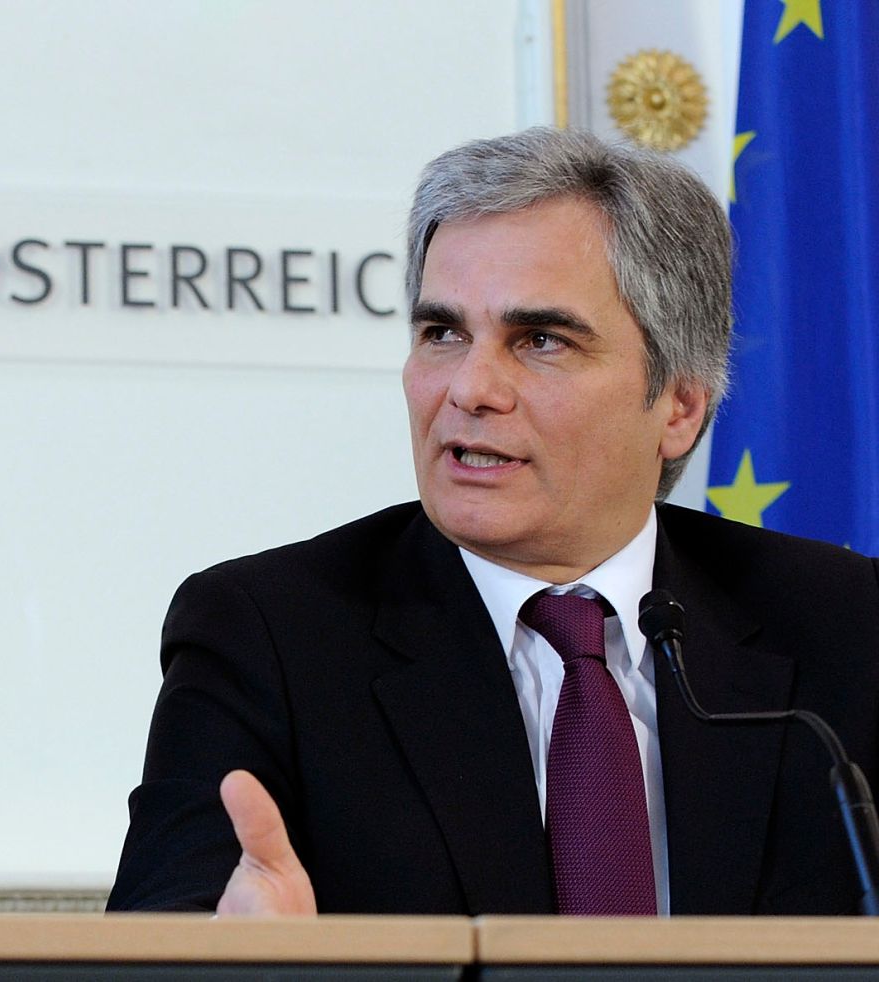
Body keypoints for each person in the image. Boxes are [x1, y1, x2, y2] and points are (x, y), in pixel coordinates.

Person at [109, 127, 879, 916]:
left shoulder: (844, 627)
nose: (471, 388)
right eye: (442, 333)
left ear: (680, 407)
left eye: (539, 340)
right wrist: (234, 968)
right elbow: (162, 935)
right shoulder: (270, 634)